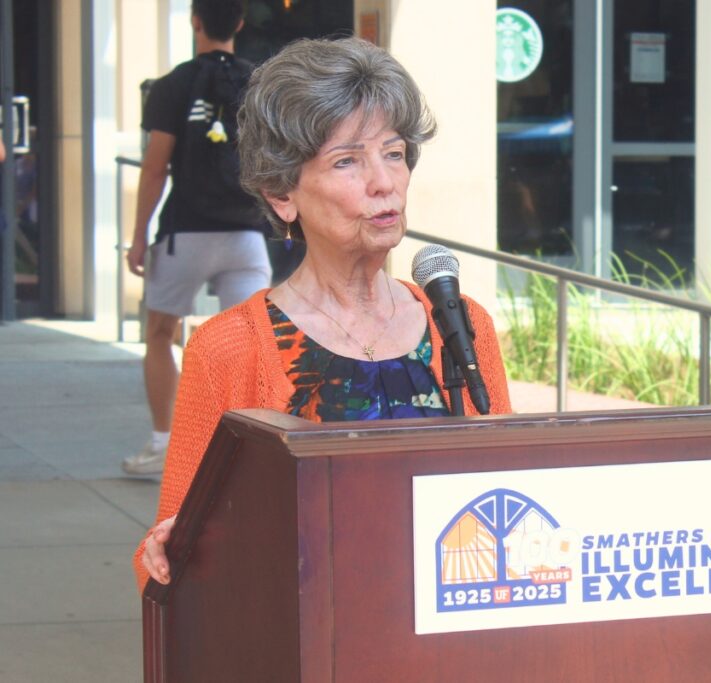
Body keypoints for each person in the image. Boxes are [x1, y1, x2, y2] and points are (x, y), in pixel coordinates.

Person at [133, 37, 512, 590]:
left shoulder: (461, 322)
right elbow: (164, 569)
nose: (384, 181)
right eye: (347, 161)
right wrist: (165, 551)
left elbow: (512, 497)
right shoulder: (227, 348)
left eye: (394, 153)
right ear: (282, 194)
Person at [122, 0, 272, 476]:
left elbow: (154, 167)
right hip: (246, 234)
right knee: (247, 343)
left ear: (195, 21)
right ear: (241, 24)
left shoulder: (171, 86)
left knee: (160, 333)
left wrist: (139, 236)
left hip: (184, 233)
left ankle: (163, 444)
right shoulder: (260, 83)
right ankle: (237, 449)